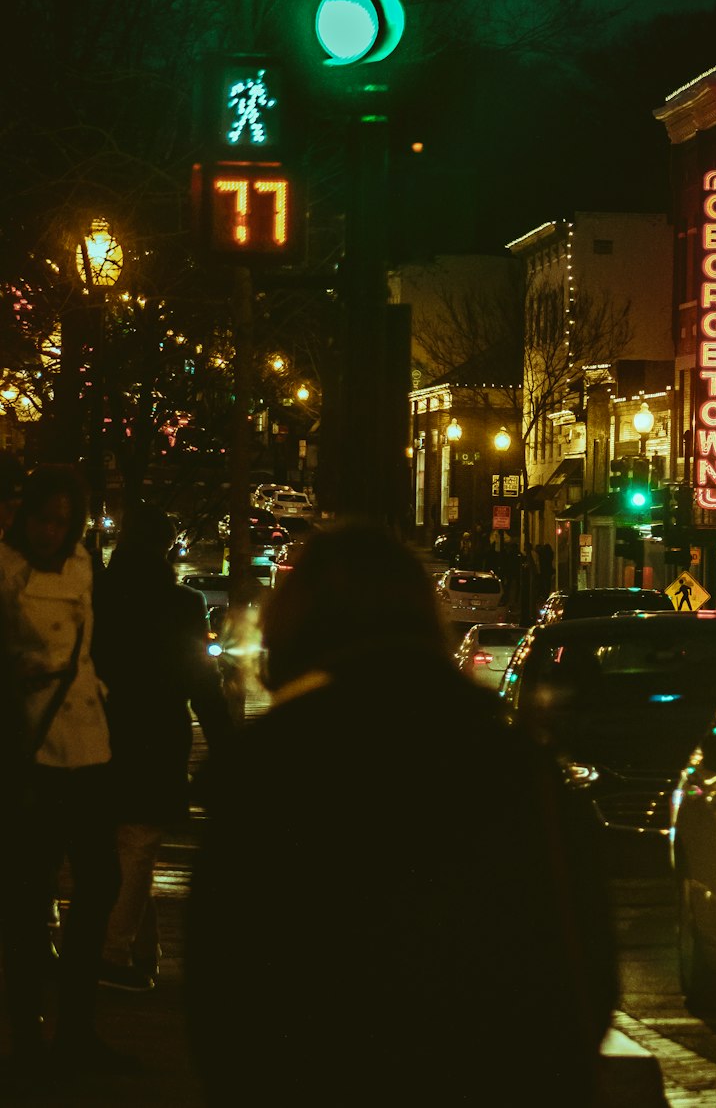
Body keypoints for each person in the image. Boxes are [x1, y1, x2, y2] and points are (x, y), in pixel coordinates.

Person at [185, 520, 618, 1107]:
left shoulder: (274, 766)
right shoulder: (509, 757)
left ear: (294, 621)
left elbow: (225, 983)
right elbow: (585, 953)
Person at [0, 464, 126, 1079]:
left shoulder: (80, 563)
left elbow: (91, 643)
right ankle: (29, 1035)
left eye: (61, 520)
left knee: (99, 881)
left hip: (86, 740)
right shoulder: (4, 571)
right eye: (43, 518)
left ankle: (75, 1027)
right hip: (32, 745)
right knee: (28, 895)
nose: (51, 530)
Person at [92, 503, 233, 993]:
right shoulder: (182, 605)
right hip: (157, 738)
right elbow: (202, 684)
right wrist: (225, 745)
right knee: (139, 844)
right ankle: (112, 950)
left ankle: (134, 947)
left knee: (118, 843)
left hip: (98, 731)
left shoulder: (98, 597)